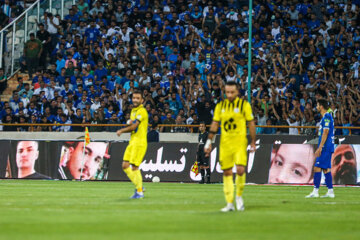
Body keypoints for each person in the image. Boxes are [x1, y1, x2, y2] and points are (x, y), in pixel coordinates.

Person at [204, 82, 256, 212]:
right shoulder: (220, 106)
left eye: (232, 92)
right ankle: (229, 203)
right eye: (227, 92)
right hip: (225, 144)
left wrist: (253, 141)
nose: (230, 95)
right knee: (227, 172)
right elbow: (215, 124)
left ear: (237, 92)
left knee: (239, 170)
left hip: (239, 142)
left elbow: (251, 123)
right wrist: (208, 142)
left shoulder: (244, 105)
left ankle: (238, 196)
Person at [117, 89, 148, 199]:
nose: (135, 100)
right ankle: (139, 185)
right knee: (125, 166)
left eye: (137, 98)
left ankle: (139, 192)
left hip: (139, 142)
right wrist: (130, 122)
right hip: (132, 142)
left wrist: (121, 130)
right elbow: (133, 124)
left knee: (134, 167)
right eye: (134, 98)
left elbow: (134, 127)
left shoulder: (142, 111)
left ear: (142, 100)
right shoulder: (133, 111)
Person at [306, 99, 335, 198]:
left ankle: (315, 191)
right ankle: (330, 192)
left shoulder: (326, 116)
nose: (317, 107)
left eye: (318, 105)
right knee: (326, 169)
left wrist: (320, 147)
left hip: (325, 147)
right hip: (327, 146)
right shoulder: (326, 117)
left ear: (321, 106)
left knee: (317, 167)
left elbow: (325, 132)